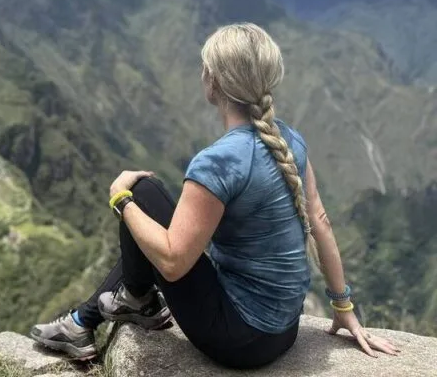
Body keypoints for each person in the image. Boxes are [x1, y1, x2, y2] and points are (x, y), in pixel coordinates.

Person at [29, 22, 401, 369]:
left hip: (235, 339)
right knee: (154, 207)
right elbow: (319, 220)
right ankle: (94, 316)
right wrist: (343, 305)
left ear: (214, 80)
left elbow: (173, 262)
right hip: (283, 332)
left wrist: (120, 200)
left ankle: (124, 305)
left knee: (143, 193)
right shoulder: (291, 140)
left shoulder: (218, 163)